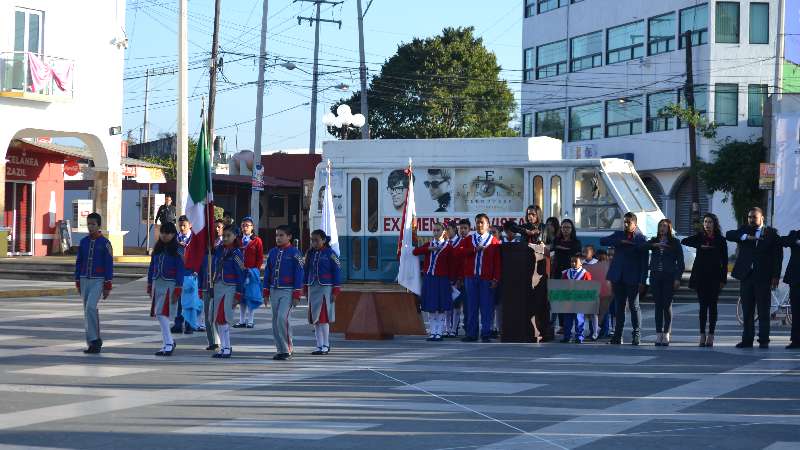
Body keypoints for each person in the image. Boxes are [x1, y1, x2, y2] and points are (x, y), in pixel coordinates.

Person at [726, 207, 782, 349]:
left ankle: (764, 340)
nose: (751, 220)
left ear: (762, 218)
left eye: (754, 217)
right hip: (746, 276)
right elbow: (729, 234)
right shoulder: (745, 230)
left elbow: (777, 257)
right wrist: (745, 237)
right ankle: (747, 339)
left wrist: (775, 275)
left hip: (763, 277)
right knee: (747, 310)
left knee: (763, 310)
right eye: (749, 217)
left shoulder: (772, 234)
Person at [600, 212, 648, 345]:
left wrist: (643, 280)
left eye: (629, 222)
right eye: (625, 222)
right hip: (617, 276)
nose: (626, 224)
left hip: (633, 277)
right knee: (618, 306)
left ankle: (636, 335)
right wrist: (619, 241)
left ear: (635, 224)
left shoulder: (640, 238)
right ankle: (617, 336)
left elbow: (645, 262)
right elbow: (602, 241)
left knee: (634, 306)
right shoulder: (619, 235)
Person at [681, 213, 728, 347]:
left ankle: (711, 334)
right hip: (701, 276)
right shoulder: (700, 237)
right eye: (705, 222)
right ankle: (702, 334)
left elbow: (724, 262)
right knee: (702, 306)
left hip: (714, 276)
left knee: (712, 306)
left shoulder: (720, 240)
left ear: (715, 224)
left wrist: (723, 280)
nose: (707, 225)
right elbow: (684, 241)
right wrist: (700, 245)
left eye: (710, 222)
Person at [455, 213, 501, 343]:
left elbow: (497, 263)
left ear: (488, 225)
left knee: (487, 307)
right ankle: (471, 333)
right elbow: (459, 252)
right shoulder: (469, 239)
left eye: (482, 222)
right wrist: (474, 249)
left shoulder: (494, 241)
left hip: (486, 279)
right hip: (470, 278)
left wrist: (496, 279)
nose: (479, 225)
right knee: (471, 307)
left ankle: (486, 333)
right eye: (477, 222)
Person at [74, 212, 113, 354]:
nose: (90, 227)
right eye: (88, 224)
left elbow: (109, 264)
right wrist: (77, 280)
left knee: (91, 307)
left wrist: (108, 284)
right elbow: (79, 262)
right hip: (84, 279)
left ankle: (96, 339)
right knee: (86, 310)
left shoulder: (105, 243)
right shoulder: (83, 242)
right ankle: (91, 342)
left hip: (98, 279)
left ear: (99, 225)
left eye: (93, 224)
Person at [263, 225, 304, 360]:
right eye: (276, 235)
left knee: (282, 318)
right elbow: (268, 272)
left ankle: (288, 348)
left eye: (281, 235)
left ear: (289, 237)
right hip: (274, 290)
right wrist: (266, 291)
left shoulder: (295, 253)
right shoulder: (273, 252)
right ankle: (280, 349)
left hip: (288, 290)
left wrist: (297, 293)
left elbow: (299, 273)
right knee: (275, 321)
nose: (278, 238)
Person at [643, 219, 684, 347]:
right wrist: (654, 245)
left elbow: (681, 263)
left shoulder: (675, 242)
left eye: (665, 226)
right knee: (658, 305)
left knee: (667, 305)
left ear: (669, 228)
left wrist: (677, 278)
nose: (662, 228)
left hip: (669, 277)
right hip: (655, 277)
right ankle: (658, 334)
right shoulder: (654, 240)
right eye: (660, 225)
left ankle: (666, 333)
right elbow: (642, 247)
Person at [413, 222, 455, 341]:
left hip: (442, 279)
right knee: (431, 306)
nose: (436, 233)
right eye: (434, 230)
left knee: (440, 306)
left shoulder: (448, 247)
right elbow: (415, 252)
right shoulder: (429, 244)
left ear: (444, 232)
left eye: (438, 230)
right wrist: (428, 249)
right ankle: (432, 332)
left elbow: (451, 265)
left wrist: (452, 281)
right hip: (429, 278)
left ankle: (439, 332)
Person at [147, 222, 184, 356]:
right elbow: (152, 267)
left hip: (170, 284)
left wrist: (178, 288)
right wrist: (150, 283)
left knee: (163, 314)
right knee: (159, 314)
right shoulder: (157, 248)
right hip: (158, 283)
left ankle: (168, 342)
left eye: (167, 233)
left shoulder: (179, 249)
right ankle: (167, 342)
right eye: (162, 232)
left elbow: (181, 269)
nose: (164, 235)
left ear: (173, 234)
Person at [304, 229, 341, 355]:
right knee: (315, 318)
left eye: (316, 240)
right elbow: (306, 270)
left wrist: (336, 290)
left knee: (323, 318)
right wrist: (304, 286)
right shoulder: (310, 253)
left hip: (326, 288)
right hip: (312, 287)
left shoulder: (331, 253)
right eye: (312, 240)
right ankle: (318, 345)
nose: (314, 242)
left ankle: (326, 344)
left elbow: (337, 272)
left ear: (324, 240)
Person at [210, 225, 244, 358]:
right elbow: (213, 265)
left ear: (235, 236)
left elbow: (241, 273)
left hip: (230, 286)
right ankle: (223, 347)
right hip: (218, 286)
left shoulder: (236, 253)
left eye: (228, 236)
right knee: (217, 318)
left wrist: (239, 293)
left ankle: (227, 347)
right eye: (223, 236)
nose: (225, 238)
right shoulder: (219, 250)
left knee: (224, 317)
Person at [551, 219, 581, 336]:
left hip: (571, 272)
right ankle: (563, 325)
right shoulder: (556, 240)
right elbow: (553, 248)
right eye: (563, 227)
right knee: (559, 300)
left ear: (572, 229)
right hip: (558, 272)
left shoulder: (576, 242)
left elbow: (575, 252)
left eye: (568, 227)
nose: (565, 230)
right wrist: (564, 250)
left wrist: (562, 249)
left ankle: (571, 325)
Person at [235, 217, 264, 329]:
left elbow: (260, 257)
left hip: (252, 272)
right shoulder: (237, 240)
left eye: (247, 225)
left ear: (252, 227)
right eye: (243, 225)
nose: (245, 227)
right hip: (240, 272)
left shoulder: (257, 240)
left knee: (251, 296)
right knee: (241, 297)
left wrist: (255, 269)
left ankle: (250, 320)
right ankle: (242, 320)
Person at [561, 255, 593, 343]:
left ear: (581, 263)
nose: (573, 263)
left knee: (579, 319)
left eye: (575, 262)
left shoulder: (585, 273)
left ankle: (579, 337)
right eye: (572, 261)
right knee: (567, 320)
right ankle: (567, 337)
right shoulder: (566, 273)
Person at [444, 221, 466, 338]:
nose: (446, 232)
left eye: (448, 230)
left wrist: (459, 279)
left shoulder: (461, 243)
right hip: (447, 277)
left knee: (456, 305)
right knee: (447, 305)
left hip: (457, 278)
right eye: (446, 230)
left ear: (454, 230)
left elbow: (462, 263)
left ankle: (454, 329)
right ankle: (447, 329)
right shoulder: (446, 243)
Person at [172, 215, 193, 334]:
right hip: (178, 273)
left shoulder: (194, 239)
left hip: (190, 272)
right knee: (179, 299)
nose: (182, 227)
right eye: (180, 225)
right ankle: (178, 323)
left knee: (189, 299)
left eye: (184, 225)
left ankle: (189, 324)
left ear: (190, 225)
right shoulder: (175, 238)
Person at [780, 229, 800, 349]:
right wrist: (796, 241)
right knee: (796, 310)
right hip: (796, 279)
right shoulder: (795, 234)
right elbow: (783, 241)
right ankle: (796, 340)